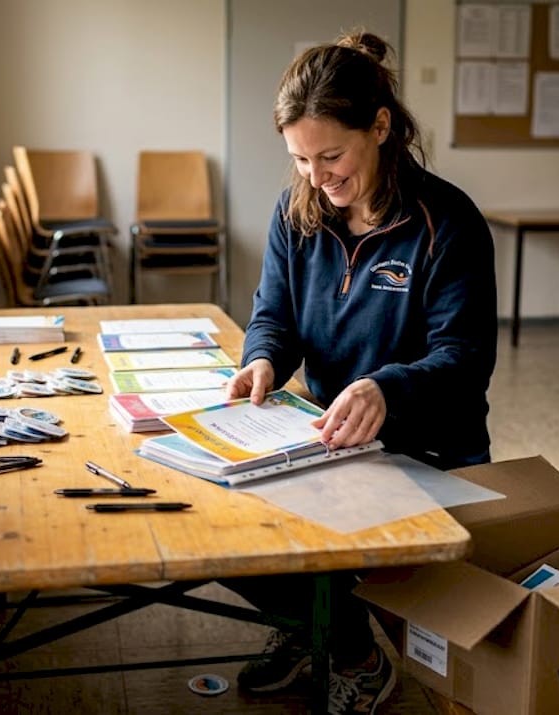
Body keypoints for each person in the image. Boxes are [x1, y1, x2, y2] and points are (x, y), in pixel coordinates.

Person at [220, 30, 497, 714]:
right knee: (217, 527)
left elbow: (465, 358)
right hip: (329, 440)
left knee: (316, 544)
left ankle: (352, 652)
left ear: (380, 127)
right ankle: (306, 623)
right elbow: (274, 316)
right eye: (300, 158)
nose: (317, 176)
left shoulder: (447, 222)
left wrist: (387, 386)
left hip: (425, 448)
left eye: (332, 155)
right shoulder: (296, 213)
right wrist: (262, 359)